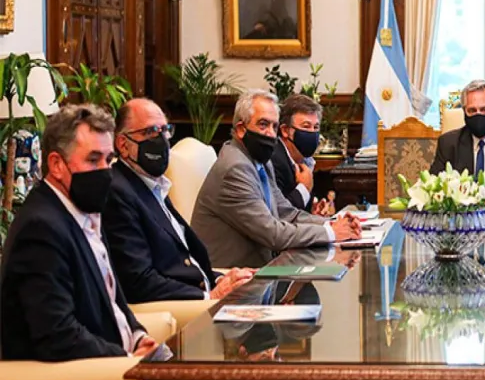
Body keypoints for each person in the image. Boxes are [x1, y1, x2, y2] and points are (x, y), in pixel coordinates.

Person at [0, 104, 157, 361]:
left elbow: (113, 300)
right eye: (93, 160)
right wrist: (127, 358)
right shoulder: (40, 230)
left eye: (109, 159)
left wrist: (139, 336)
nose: (106, 171)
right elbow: (58, 336)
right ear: (56, 164)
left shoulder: (83, 209)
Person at [103, 98, 254, 303]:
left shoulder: (154, 187)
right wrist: (209, 296)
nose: (161, 139)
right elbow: (138, 281)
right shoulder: (118, 192)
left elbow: (184, 265)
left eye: (165, 130)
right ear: (123, 144)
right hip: (182, 311)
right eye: (150, 132)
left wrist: (221, 279)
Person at [192, 90, 361, 268]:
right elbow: (274, 234)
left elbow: (286, 212)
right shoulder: (235, 169)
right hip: (230, 278)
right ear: (241, 129)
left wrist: (333, 223)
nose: (271, 134)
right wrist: (331, 233)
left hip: (263, 271)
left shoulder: (259, 161)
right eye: (263, 124)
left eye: (274, 126)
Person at [271, 94, 319, 212]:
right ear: (285, 130)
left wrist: (313, 210)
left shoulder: (304, 160)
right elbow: (280, 215)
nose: (312, 133)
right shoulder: (274, 160)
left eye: (316, 127)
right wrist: (304, 188)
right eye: (306, 126)